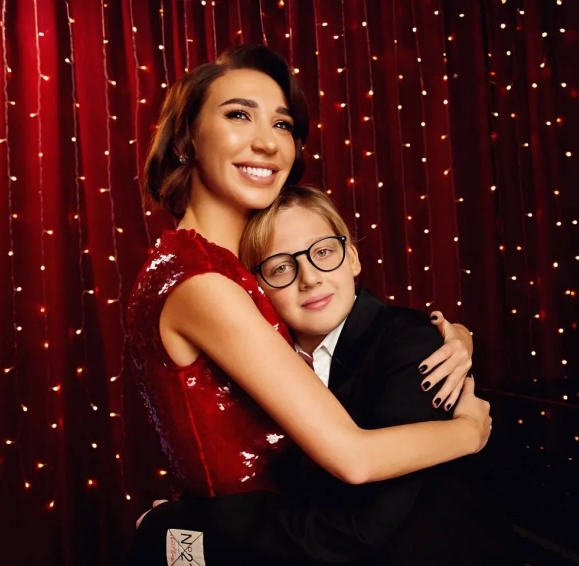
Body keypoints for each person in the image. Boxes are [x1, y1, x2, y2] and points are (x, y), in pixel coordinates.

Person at [126, 44, 489, 504]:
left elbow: (349, 335)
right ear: (185, 140)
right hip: (257, 534)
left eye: (282, 124)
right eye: (239, 115)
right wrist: (470, 430)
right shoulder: (203, 282)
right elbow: (353, 457)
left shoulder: (223, 268)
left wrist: (450, 337)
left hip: (274, 528)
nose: (268, 143)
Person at [128, 186, 510, 565]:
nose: (309, 277)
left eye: (323, 252)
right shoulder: (264, 362)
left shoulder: (412, 345)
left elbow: (354, 530)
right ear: (256, 288)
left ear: (352, 258)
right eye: (281, 267)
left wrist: (182, 525)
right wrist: (183, 534)